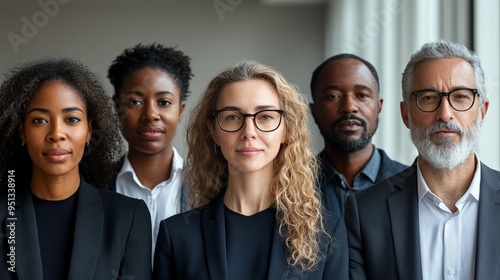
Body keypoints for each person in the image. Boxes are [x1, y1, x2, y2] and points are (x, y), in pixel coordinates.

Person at [153, 60, 348, 279]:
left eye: (265, 117)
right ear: (213, 130)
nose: (249, 132)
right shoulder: (177, 234)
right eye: (233, 117)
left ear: (286, 129)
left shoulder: (326, 234)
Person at [345, 40, 499, 280]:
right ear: (406, 114)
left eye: (460, 97)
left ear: (482, 111)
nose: (445, 113)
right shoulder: (365, 211)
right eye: (428, 98)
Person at [0, 58, 152, 279]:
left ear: (89, 130)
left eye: (71, 119)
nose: (56, 133)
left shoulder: (127, 218)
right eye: (40, 120)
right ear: (22, 131)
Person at [107, 43, 193, 254]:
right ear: (117, 108)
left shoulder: (207, 186)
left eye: (164, 102)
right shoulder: (94, 185)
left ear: (180, 110)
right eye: (135, 102)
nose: (150, 114)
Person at [309, 54, 407, 216]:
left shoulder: (413, 186)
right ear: (314, 111)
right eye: (333, 96)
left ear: (379, 107)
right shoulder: (290, 188)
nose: (349, 107)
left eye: (361, 95)